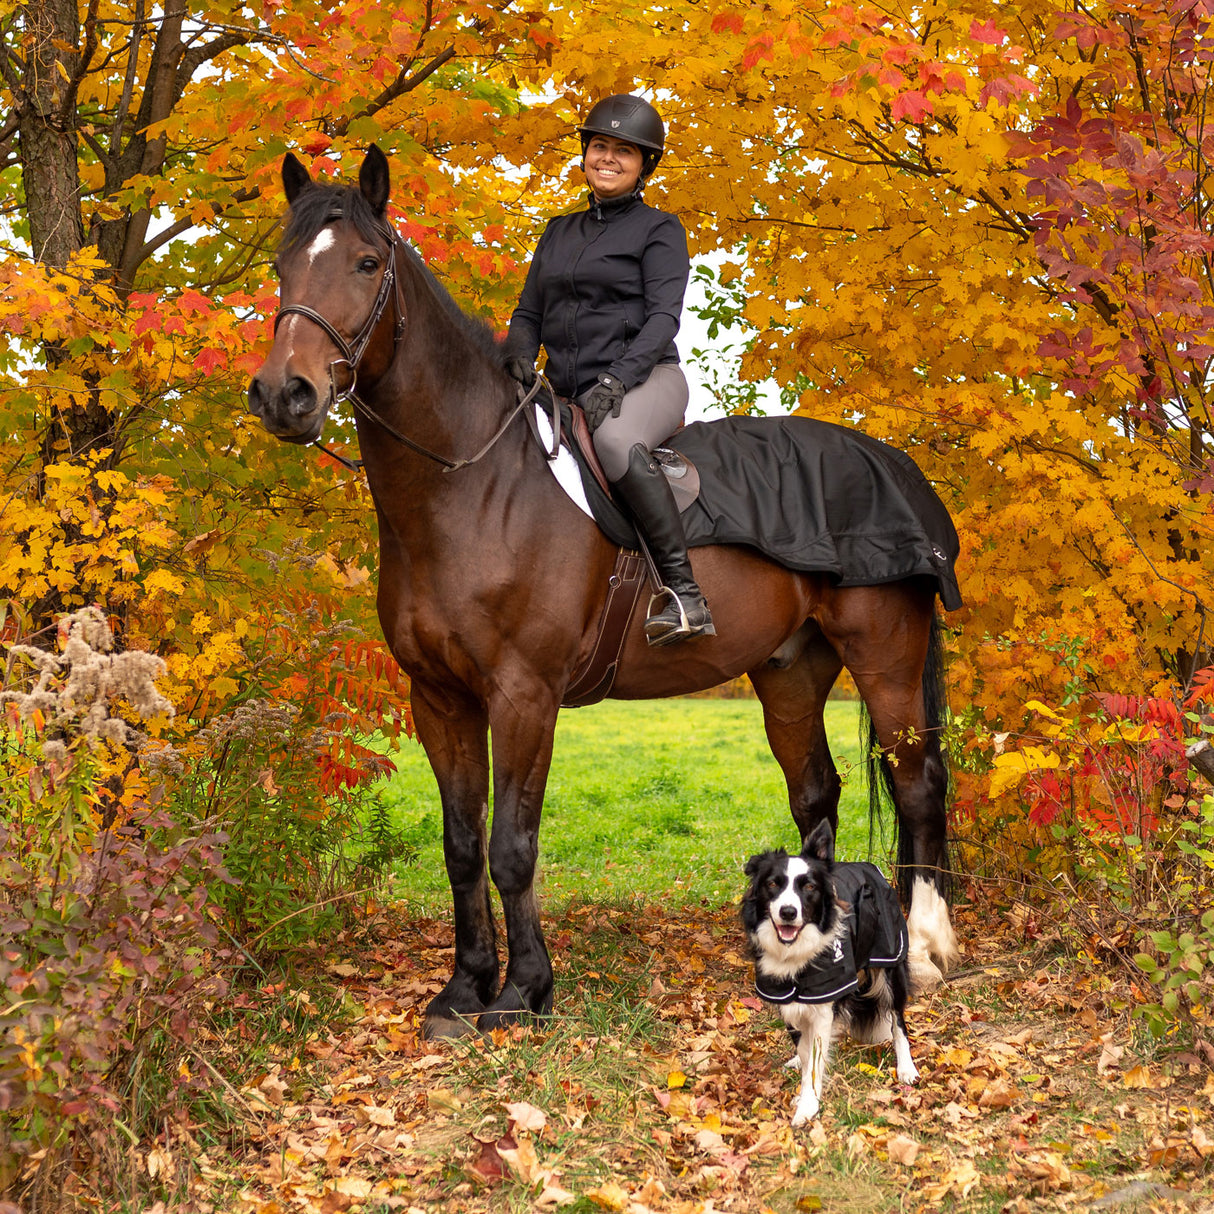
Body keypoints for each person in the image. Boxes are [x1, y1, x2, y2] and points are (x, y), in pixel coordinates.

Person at [502, 94, 714, 647]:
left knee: (616, 441)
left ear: (645, 165)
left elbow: (664, 319)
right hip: (566, 389)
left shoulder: (659, 229)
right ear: (585, 154)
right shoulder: (557, 231)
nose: (608, 159)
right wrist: (519, 355)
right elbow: (528, 312)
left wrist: (618, 380)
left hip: (645, 381)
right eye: (600, 146)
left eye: (624, 151)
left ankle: (685, 594)